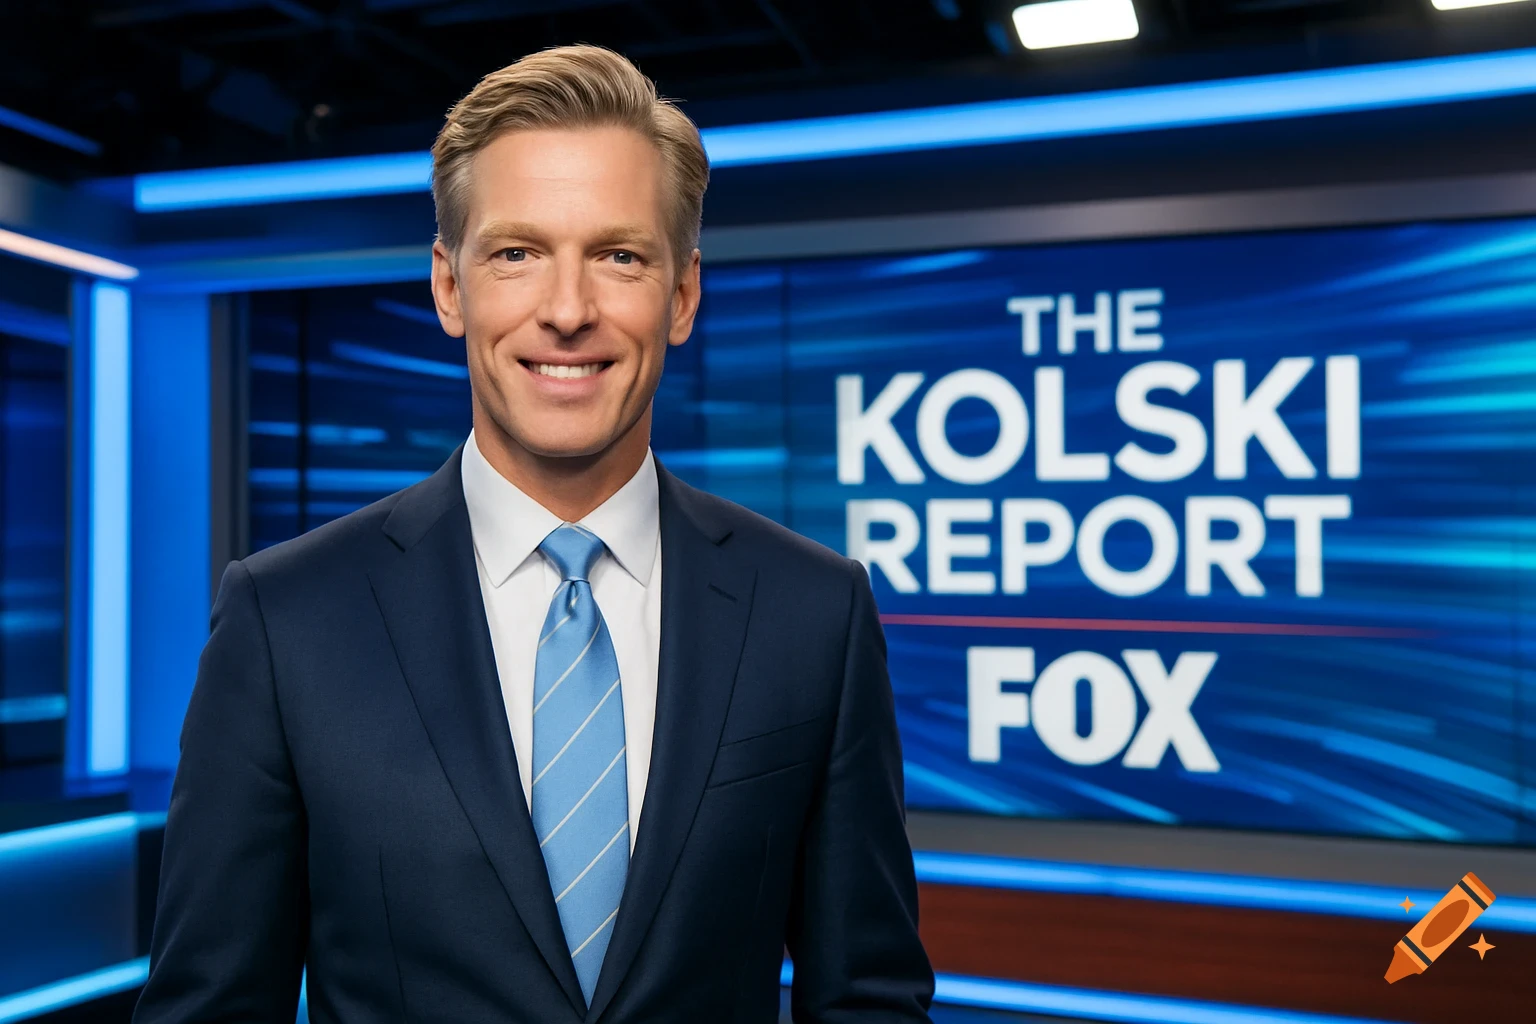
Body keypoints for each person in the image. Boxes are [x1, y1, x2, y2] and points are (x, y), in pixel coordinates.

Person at [134, 44, 934, 1024]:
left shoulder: (815, 610)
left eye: (619, 255)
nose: (567, 310)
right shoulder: (283, 617)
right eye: (517, 253)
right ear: (449, 286)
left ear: (681, 294)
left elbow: (869, 1000)